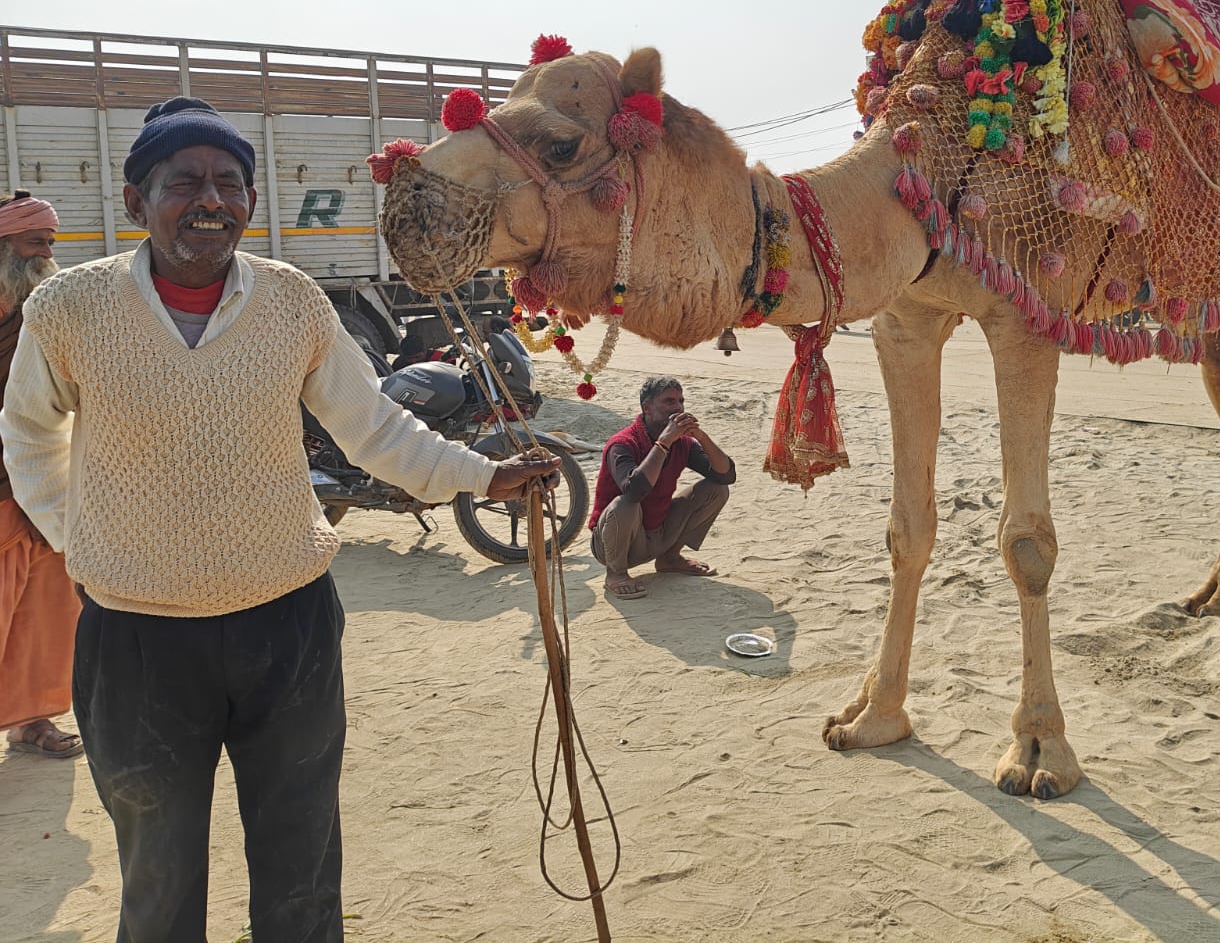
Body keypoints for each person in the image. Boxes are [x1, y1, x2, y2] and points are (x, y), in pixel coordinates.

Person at [0, 96, 561, 943]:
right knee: (158, 875)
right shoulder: (71, 307)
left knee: (301, 868)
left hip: (286, 626)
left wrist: (482, 477)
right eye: (183, 180)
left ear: (251, 202)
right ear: (134, 201)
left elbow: (372, 425)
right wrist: (79, 544)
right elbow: (30, 434)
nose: (210, 198)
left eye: (230, 181)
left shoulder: (291, 300)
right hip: (136, 640)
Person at [0, 192, 82, 761]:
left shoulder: (43, 307)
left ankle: (31, 720)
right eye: (35, 242)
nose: (47, 252)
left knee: (47, 610)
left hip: (43, 475)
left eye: (51, 242)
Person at [589, 376, 736, 599]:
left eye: (680, 401)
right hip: (616, 543)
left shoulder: (683, 443)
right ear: (647, 408)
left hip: (657, 535)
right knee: (625, 504)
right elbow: (634, 490)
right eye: (669, 401)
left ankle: (670, 558)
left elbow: (726, 475)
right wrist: (663, 443)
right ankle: (616, 573)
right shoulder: (623, 444)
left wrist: (701, 436)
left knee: (716, 490)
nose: (678, 407)